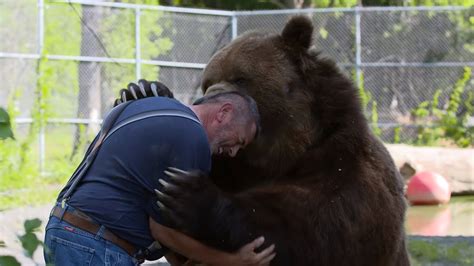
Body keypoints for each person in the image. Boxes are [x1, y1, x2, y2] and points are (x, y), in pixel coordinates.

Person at [43, 80, 275, 265]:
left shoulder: (145, 107)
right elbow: (163, 230)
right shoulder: (192, 137)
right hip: (94, 245)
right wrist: (232, 261)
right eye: (239, 141)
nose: (233, 153)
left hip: (64, 230)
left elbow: (146, 206)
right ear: (223, 112)